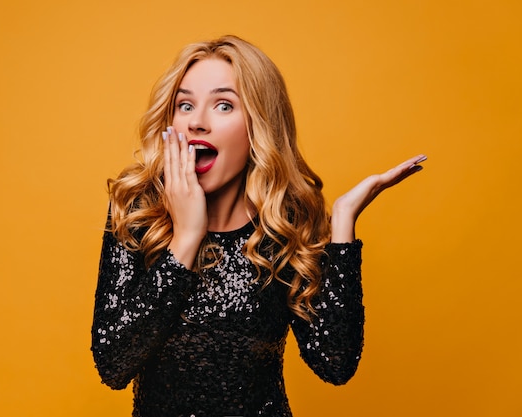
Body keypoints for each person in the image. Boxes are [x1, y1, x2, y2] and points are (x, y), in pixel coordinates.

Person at [91, 35, 426, 417]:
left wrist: (343, 225)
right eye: (185, 105)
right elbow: (113, 363)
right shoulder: (137, 212)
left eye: (223, 105)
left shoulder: (286, 226)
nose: (198, 122)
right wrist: (185, 239)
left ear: (258, 125)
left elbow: (334, 363)